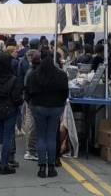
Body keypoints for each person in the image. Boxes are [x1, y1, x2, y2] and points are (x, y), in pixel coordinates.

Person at [25, 51, 68, 179]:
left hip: (39, 107)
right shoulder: (61, 74)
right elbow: (65, 93)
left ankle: (42, 167)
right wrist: (60, 105)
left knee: (41, 137)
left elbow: (28, 92)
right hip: (55, 107)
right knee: (51, 137)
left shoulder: (34, 75)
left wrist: (32, 105)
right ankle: (51, 166)